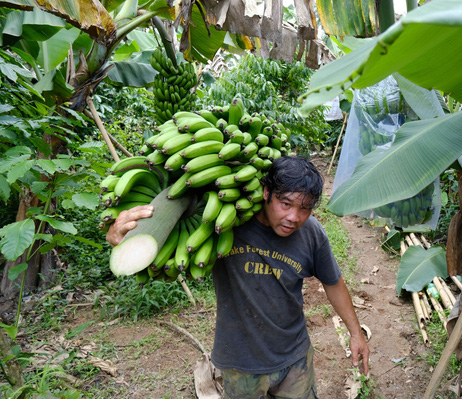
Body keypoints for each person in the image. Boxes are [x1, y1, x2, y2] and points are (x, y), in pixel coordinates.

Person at [106, 156, 370, 398]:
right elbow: (162, 257)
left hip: (295, 356)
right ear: (267, 192)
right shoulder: (223, 222)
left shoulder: (311, 233)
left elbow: (332, 282)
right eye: (285, 203)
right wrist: (128, 235)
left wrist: (356, 334)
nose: (293, 217)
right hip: (239, 362)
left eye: (305, 208)